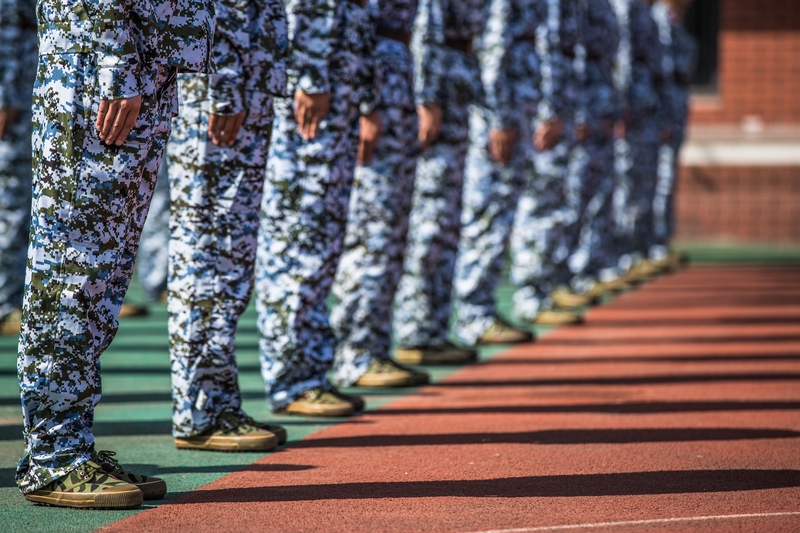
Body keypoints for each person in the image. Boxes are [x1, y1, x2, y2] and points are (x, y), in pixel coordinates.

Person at [17, 0, 214, 509]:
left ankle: (72, 445)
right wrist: (116, 64)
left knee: (102, 277)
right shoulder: (110, 63)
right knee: (73, 268)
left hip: (137, 67)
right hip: (101, 66)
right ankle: (55, 456)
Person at [167, 0, 290, 452]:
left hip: (244, 84)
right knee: (207, 248)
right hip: (221, 89)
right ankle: (199, 409)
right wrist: (223, 86)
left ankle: (217, 401)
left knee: (230, 255)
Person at [255, 0, 381, 417]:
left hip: (337, 85)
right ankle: (292, 380)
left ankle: (309, 373)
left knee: (320, 241)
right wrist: (310, 76)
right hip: (315, 88)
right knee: (299, 236)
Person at [329, 0, 432, 388]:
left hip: (395, 78)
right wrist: (366, 104)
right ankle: (354, 352)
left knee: (391, 228)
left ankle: (373, 346)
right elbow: (359, 20)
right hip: (376, 86)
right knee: (371, 226)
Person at [393, 0, 489, 365]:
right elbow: (427, 26)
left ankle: (432, 328)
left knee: (446, 223)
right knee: (430, 220)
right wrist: (427, 97)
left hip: (455, 90)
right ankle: (416, 329)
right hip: (439, 95)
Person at [449, 0, 545, 346]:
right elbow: (493, 44)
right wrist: (500, 117)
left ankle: (481, 309)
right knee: (489, 211)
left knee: (500, 210)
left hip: (516, 106)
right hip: (502, 113)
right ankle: (474, 314)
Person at [509, 0, 587, 326]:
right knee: (540, 203)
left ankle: (544, 287)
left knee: (554, 204)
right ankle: (530, 295)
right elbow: (546, 42)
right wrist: (549, 111)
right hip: (540, 107)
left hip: (552, 102)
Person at [556, 0, 621, 305]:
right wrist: (580, 112)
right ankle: (557, 277)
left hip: (595, 101)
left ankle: (579, 270)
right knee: (569, 195)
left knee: (594, 190)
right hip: (573, 104)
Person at [609, 0, 663, 283]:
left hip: (643, 106)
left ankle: (632, 251)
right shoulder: (624, 6)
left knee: (640, 181)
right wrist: (621, 105)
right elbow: (623, 53)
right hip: (626, 108)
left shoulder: (644, 11)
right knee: (624, 181)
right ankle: (619, 254)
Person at [649, 0, 695, 271]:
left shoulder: (674, 21)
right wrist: (664, 115)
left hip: (675, 107)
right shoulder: (659, 19)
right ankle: (653, 243)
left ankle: (660, 241)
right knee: (658, 179)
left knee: (666, 179)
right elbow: (662, 70)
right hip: (662, 111)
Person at [0, 0, 36, 337]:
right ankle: (4, 301)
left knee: (17, 201)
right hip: (12, 100)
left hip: (22, 95)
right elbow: (7, 28)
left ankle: (11, 298)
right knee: (8, 202)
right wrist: (4, 96)